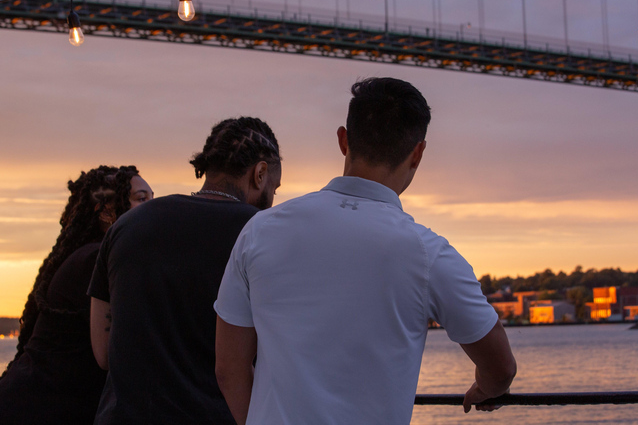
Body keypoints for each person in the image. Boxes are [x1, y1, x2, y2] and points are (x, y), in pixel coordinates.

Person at [214, 78, 517, 425]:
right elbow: (501, 366)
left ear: (343, 140)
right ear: (417, 153)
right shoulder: (429, 254)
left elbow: (228, 370)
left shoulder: (260, 230)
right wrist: (485, 388)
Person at [89, 117, 281, 425]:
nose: (273, 199)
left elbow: (102, 352)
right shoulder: (263, 233)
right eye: (274, 187)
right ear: (260, 174)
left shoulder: (126, 226)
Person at [0, 165, 153, 425]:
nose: (152, 208)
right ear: (104, 212)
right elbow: (108, 354)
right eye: (141, 199)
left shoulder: (91, 255)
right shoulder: (95, 260)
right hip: (29, 412)